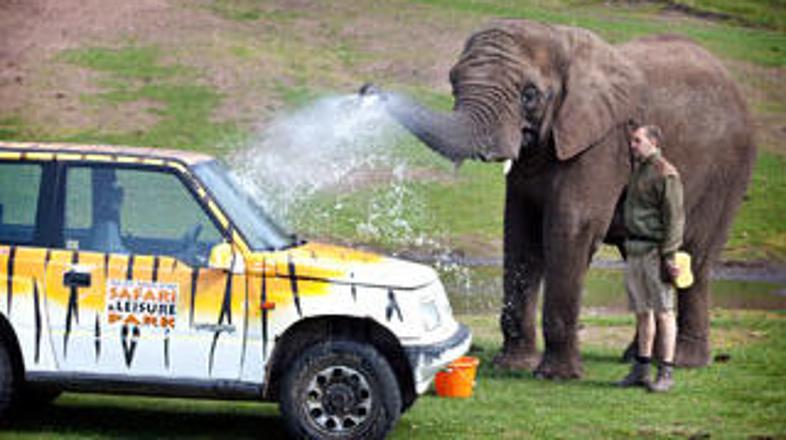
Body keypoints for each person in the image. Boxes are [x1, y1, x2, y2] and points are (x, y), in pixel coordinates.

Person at [617, 124, 684, 393]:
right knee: (642, 312)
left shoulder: (666, 174)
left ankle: (666, 372)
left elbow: (675, 219)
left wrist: (669, 256)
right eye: (633, 140)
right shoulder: (640, 170)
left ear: (654, 142)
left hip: (656, 252)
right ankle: (641, 369)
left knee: (664, 312)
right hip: (634, 250)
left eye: (637, 141)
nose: (632, 145)